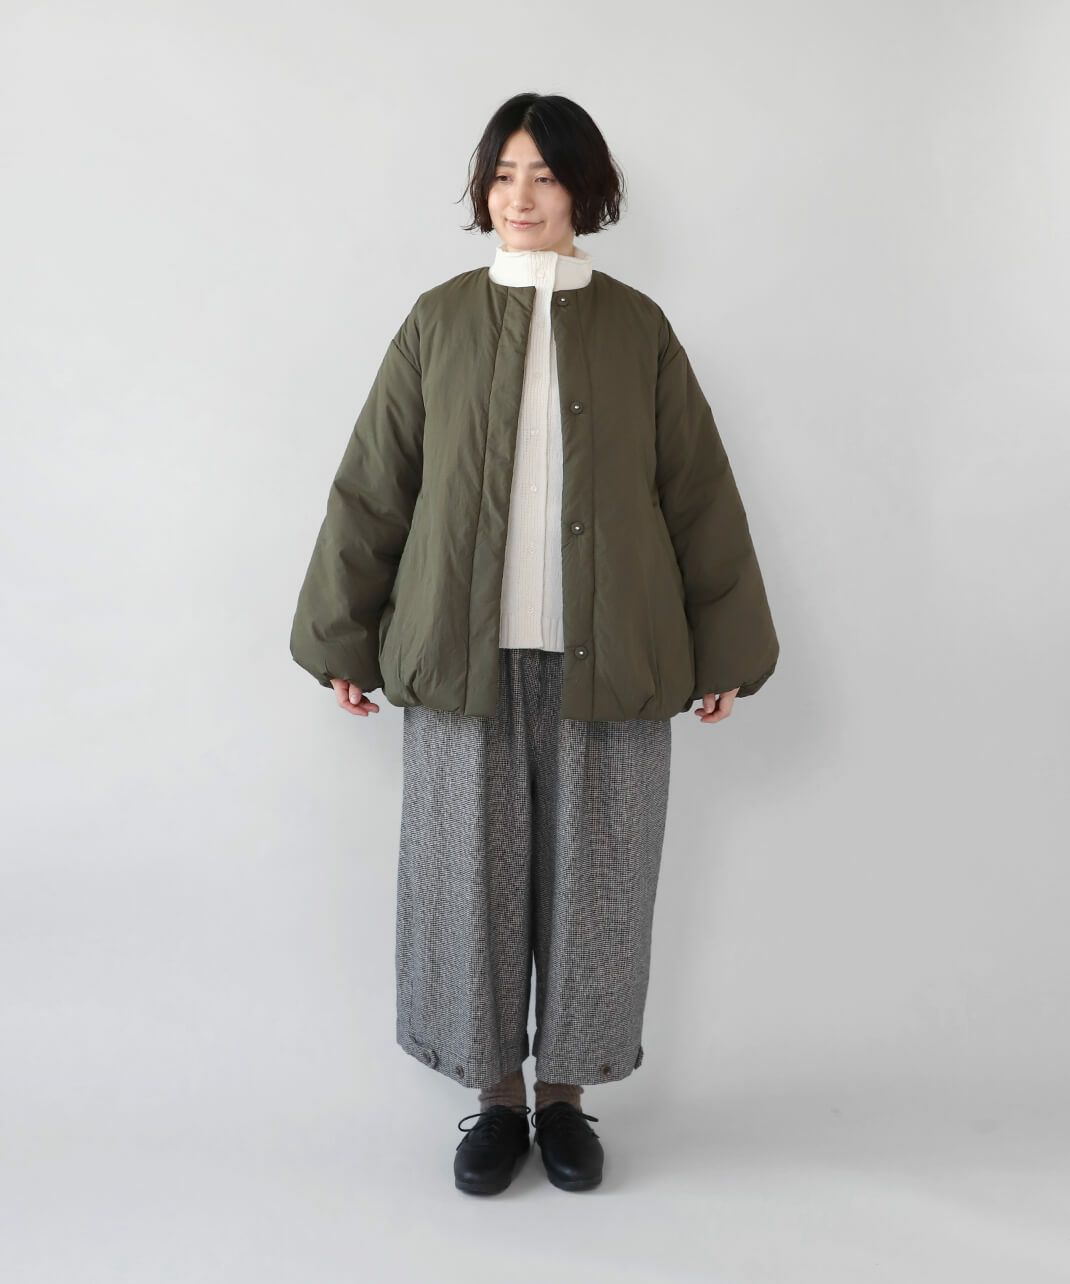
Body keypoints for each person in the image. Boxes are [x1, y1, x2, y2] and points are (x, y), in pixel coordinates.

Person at [289, 92, 779, 1196]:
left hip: (613, 656)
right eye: (504, 173)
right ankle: (493, 1100)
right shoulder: (438, 321)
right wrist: (342, 636)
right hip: (460, 658)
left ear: (582, 192)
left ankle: (564, 1099)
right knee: (466, 885)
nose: (521, 195)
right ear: (483, 188)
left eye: (545, 176)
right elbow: (375, 485)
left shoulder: (638, 329)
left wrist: (724, 651)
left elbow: (697, 493)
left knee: (598, 885)